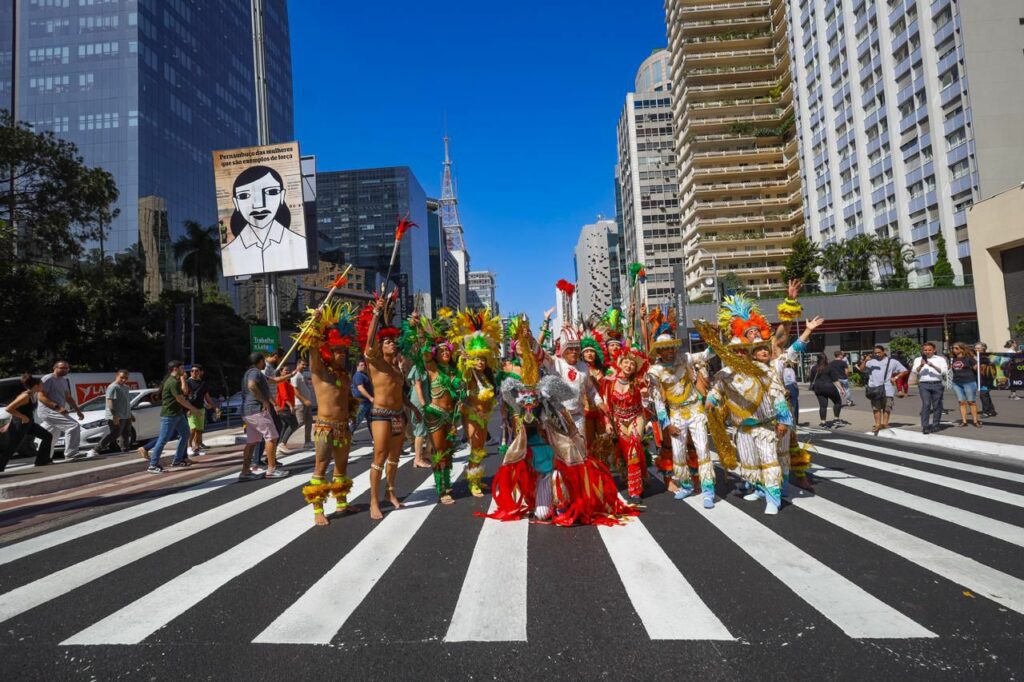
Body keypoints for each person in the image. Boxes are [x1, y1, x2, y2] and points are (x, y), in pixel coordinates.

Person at [487, 319, 637, 525]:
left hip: (578, 419)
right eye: (571, 349)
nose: (574, 353)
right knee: (560, 461)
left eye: (577, 349)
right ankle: (559, 500)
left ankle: (580, 499)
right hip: (557, 419)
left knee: (580, 460)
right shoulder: (556, 363)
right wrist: (529, 337)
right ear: (563, 350)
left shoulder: (584, 367)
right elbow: (539, 353)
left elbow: (591, 391)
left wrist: (601, 405)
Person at [700, 295, 792, 515]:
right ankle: (759, 490)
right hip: (742, 429)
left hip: (765, 426)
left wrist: (783, 421)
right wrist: (710, 404)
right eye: (735, 351)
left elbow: (778, 396)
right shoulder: (724, 374)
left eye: (743, 350)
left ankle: (773, 498)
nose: (739, 354)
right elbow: (714, 394)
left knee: (770, 460)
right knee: (751, 464)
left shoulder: (763, 369)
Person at [294, 302, 358, 525]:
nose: (341, 355)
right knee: (320, 467)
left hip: (343, 428)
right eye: (336, 351)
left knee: (341, 466)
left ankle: (341, 503)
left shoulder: (346, 376)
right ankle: (318, 510)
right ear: (327, 352)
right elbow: (312, 347)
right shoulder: (319, 371)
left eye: (343, 351)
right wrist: (317, 322)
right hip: (324, 427)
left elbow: (348, 400)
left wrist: (352, 413)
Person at [646, 312, 714, 507]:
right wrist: (666, 425)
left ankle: (708, 489)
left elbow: (707, 354)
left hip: (695, 409)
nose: (669, 351)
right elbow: (658, 401)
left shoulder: (684, 358)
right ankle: (685, 485)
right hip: (675, 413)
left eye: (670, 347)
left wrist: (713, 338)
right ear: (658, 352)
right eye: (664, 349)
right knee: (678, 453)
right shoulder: (655, 372)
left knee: (702, 449)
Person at [402, 310, 466, 506]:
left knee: (448, 450)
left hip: (451, 416)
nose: (445, 353)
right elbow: (424, 349)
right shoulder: (432, 369)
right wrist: (420, 327)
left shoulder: (456, 371)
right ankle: (441, 489)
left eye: (448, 350)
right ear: (436, 354)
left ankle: (447, 483)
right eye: (441, 351)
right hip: (435, 414)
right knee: (438, 451)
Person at [360, 294, 412, 520]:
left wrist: (415, 409)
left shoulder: (399, 368)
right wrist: (376, 314)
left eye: (393, 341)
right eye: (387, 341)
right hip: (380, 414)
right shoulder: (376, 362)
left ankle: (391, 492)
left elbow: (401, 394)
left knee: (395, 457)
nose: (391, 343)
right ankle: (374, 501)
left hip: (399, 415)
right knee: (379, 456)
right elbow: (369, 344)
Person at [220, 165, 308, 277]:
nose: (259, 205)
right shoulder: (230, 252)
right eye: (244, 196)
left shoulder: (299, 244)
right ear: (236, 203)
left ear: (282, 196)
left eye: (271, 192)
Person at [453, 308, 503, 497]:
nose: (480, 362)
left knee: (481, 448)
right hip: (471, 413)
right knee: (474, 446)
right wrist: (465, 362)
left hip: (485, 413)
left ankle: (477, 479)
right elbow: (461, 385)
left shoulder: (488, 376)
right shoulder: (469, 375)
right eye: (477, 359)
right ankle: (472, 482)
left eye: (482, 359)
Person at [601, 345, 649, 505]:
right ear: (620, 363)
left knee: (634, 448)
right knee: (627, 451)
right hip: (619, 420)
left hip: (636, 416)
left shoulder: (639, 381)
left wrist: (646, 395)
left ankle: (635, 491)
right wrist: (607, 423)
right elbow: (606, 404)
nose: (629, 366)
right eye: (626, 362)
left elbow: (648, 402)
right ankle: (641, 474)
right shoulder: (609, 382)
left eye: (632, 364)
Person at [138, 361, 203, 473]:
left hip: (177, 414)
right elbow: (180, 399)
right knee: (163, 439)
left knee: (185, 433)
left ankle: (177, 460)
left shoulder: (176, 381)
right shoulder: (172, 382)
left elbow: (184, 393)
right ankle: (153, 465)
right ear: (175, 369)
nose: (184, 370)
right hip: (169, 415)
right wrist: (194, 409)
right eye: (182, 368)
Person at [237, 353, 289, 480]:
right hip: (257, 409)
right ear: (260, 361)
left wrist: (293, 373)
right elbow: (251, 385)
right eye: (264, 360)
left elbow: (274, 380)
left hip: (248, 411)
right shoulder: (255, 372)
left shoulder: (252, 372)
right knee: (271, 437)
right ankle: (271, 469)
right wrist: (264, 401)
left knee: (252, 442)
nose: (266, 362)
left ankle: (245, 472)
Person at [0, 375, 53, 470]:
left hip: (29, 423)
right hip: (20, 424)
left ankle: (42, 460)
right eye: (41, 384)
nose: (43, 386)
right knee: (12, 447)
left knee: (47, 436)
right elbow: (9, 408)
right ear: (36, 386)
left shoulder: (33, 395)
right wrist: (22, 417)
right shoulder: (25, 396)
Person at [36, 360, 84, 461]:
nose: (65, 370)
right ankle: (70, 454)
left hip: (55, 411)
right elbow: (40, 396)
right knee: (73, 426)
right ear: (55, 368)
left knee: (51, 435)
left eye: (66, 368)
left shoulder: (64, 380)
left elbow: (68, 397)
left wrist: (78, 410)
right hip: (48, 410)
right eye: (62, 368)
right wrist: (57, 407)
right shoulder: (47, 378)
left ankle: (44, 458)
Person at [858, 345, 909, 435]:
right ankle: (877, 424)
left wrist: (896, 377)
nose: (877, 354)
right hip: (874, 387)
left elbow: (904, 370)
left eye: (879, 352)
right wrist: (865, 360)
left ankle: (885, 424)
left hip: (887, 387)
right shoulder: (871, 362)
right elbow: (861, 370)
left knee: (887, 407)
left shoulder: (892, 361)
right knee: (876, 407)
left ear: (884, 352)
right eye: (875, 353)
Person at [86, 369, 133, 457]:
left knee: (126, 433)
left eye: (126, 378)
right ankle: (95, 449)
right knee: (115, 434)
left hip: (126, 415)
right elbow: (110, 401)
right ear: (117, 376)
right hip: (116, 416)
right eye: (122, 377)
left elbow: (126, 402)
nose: (124, 380)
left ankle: (125, 450)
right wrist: (114, 415)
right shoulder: (113, 387)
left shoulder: (125, 387)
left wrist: (130, 414)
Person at [910, 341, 948, 434]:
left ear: (934, 350)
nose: (927, 352)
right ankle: (925, 426)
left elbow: (943, 371)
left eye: (929, 350)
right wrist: (921, 365)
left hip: (937, 384)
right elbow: (915, 371)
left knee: (937, 405)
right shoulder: (918, 359)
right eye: (925, 350)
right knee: (926, 404)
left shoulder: (940, 359)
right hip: (924, 384)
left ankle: (936, 424)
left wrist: (933, 366)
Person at [184, 365, 218, 457]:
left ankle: (197, 448)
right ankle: (189, 447)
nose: (194, 372)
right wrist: (187, 409)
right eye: (192, 371)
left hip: (201, 408)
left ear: (200, 372)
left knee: (199, 430)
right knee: (193, 429)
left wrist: (215, 407)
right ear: (190, 372)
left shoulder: (203, 383)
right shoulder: (188, 382)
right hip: (191, 409)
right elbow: (185, 396)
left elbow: (207, 397)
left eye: (196, 371)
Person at [949, 342, 982, 428]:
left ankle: (975, 421)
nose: (954, 350)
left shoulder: (969, 358)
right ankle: (964, 421)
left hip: (969, 382)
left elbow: (976, 368)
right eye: (953, 348)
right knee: (961, 402)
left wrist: (979, 364)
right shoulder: (953, 359)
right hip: (956, 383)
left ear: (962, 349)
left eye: (956, 348)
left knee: (971, 402)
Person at [809, 354, 844, 428]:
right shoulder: (830, 367)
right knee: (838, 402)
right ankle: (836, 419)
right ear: (826, 359)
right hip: (829, 387)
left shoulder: (814, 368)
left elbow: (811, 380)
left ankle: (823, 422)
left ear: (817, 359)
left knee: (823, 406)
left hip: (818, 388)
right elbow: (835, 380)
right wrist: (841, 389)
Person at [291, 358, 315, 448]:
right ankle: (282, 442)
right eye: (303, 364)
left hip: (306, 403)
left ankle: (307, 441)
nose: (304, 366)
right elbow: (295, 391)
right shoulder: (295, 376)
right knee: (298, 423)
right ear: (298, 364)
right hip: (300, 404)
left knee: (309, 422)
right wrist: (304, 400)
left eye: (305, 365)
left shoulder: (301, 375)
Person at [275, 366, 300, 447]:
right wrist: (290, 406)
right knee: (294, 424)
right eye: (286, 370)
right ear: (281, 372)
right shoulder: (282, 382)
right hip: (284, 407)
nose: (288, 371)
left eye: (288, 370)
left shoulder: (286, 382)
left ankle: (279, 444)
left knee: (285, 425)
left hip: (285, 407)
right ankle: (282, 443)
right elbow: (284, 396)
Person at [975, 342, 997, 418]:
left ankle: (986, 412)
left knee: (983, 394)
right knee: (985, 395)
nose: (976, 349)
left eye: (978, 348)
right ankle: (992, 410)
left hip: (988, 379)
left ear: (983, 348)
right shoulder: (976, 357)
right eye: (976, 348)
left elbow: (992, 363)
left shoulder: (987, 357)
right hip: (980, 380)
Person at [350, 359, 373, 432]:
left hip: (367, 402)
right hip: (361, 402)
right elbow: (360, 388)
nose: (364, 366)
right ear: (357, 366)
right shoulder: (358, 375)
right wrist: (370, 397)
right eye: (361, 365)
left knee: (371, 421)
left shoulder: (364, 375)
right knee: (356, 421)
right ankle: (348, 435)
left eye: (365, 365)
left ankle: (375, 438)